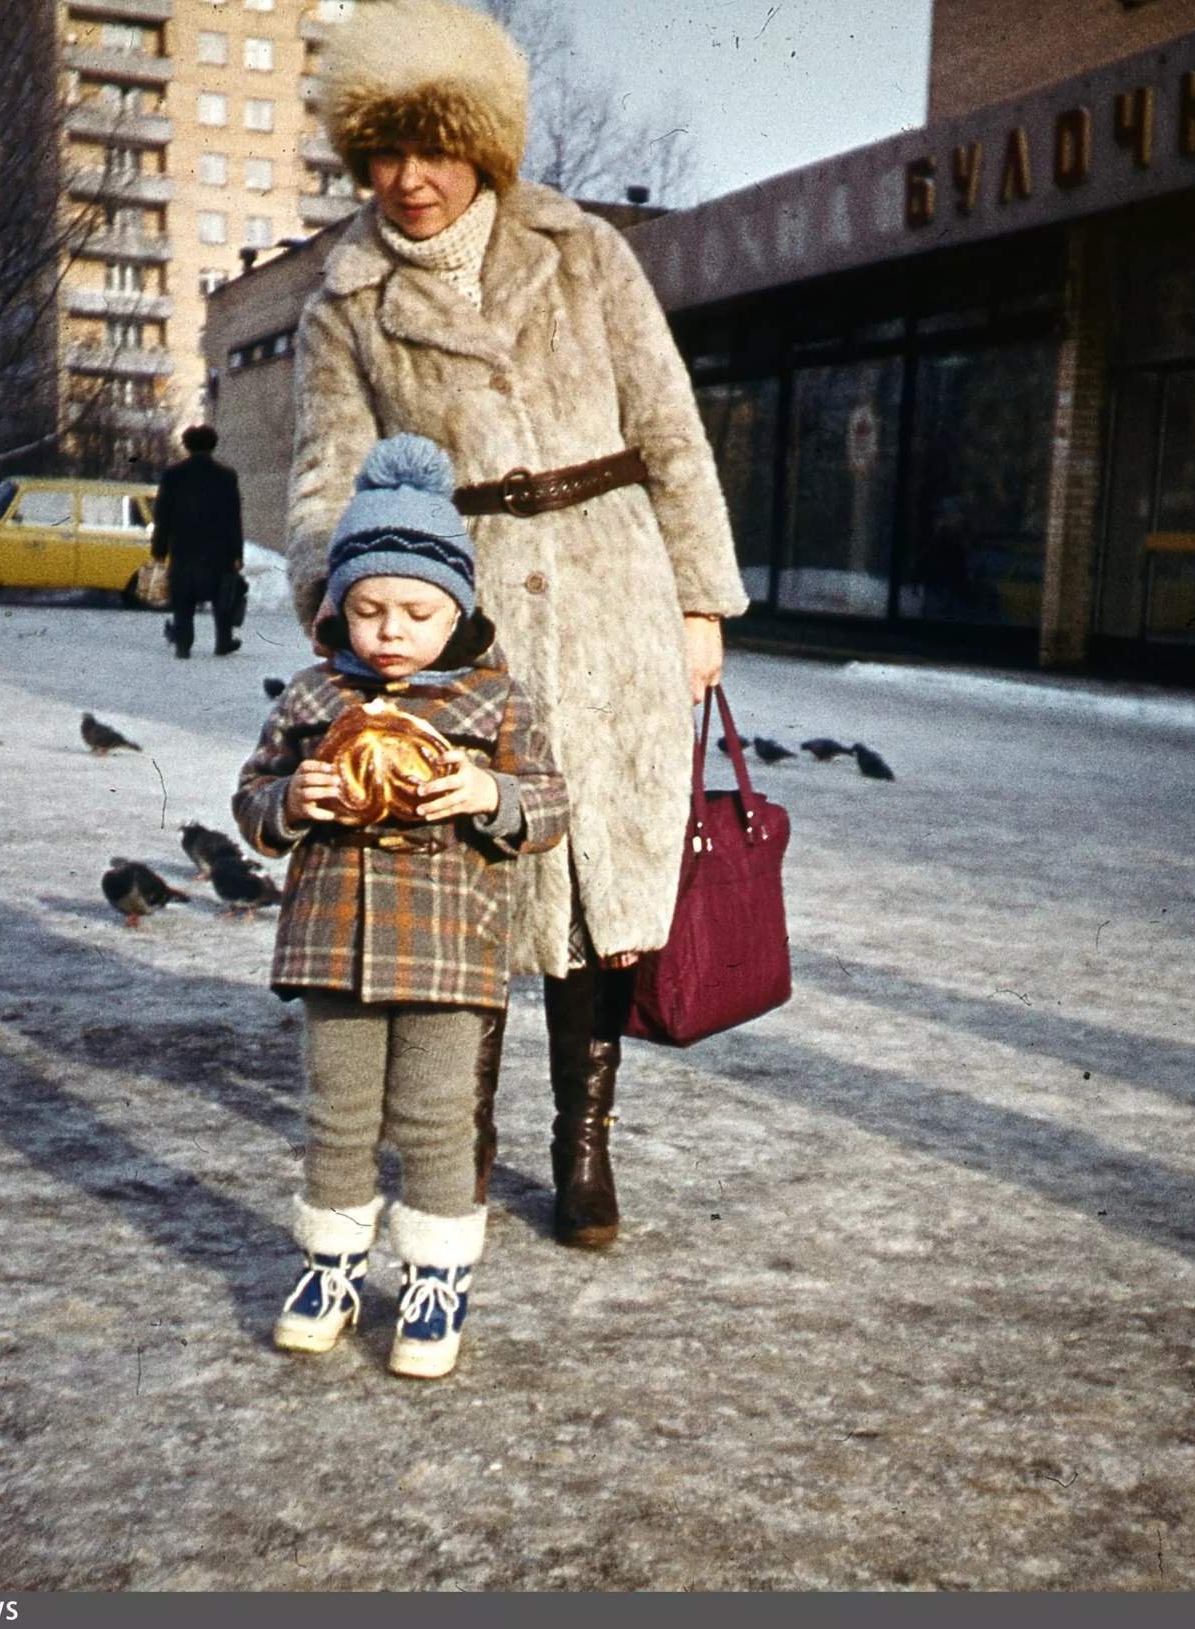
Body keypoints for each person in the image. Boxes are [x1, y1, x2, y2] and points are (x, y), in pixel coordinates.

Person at [289, 0, 748, 1249]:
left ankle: (582, 1143)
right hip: (461, 613)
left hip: (614, 598)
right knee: (474, 869)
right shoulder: (348, 297)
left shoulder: (584, 250)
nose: (409, 180)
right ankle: (465, 1135)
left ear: (482, 146)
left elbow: (668, 429)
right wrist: (341, 617)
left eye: (433, 150)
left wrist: (702, 596)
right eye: (383, 154)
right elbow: (326, 483)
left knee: (600, 883)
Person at [236, 434, 569, 1378]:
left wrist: (486, 796)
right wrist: (293, 800)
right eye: (368, 609)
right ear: (337, 607)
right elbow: (252, 799)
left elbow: (547, 804)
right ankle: (331, 1266)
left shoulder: (496, 702)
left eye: (416, 611)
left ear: (457, 608)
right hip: (333, 945)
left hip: (447, 952)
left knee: (433, 1119)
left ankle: (433, 1280)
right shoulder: (313, 695)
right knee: (337, 1116)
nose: (389, 630)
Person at [152, 424, 244, 658]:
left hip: (183, 547)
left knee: (183, 598)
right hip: (218, 550)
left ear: (187, 445)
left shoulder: (173, 474)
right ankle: (223, 642)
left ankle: (183, 645)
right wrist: (237, 553)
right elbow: (233, 516)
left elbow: (162, 514)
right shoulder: (226, 475)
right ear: (213, 445)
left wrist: (159, 548)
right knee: (220, 595)